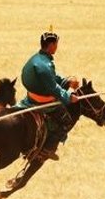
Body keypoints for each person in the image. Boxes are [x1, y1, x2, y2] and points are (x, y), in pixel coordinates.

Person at [19, 29, 79, 161]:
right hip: (42, 101)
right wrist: (69, 97)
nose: (57, 47)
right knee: (66, 121)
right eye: (56, 44)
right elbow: (53, 88)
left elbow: (51, 78)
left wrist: (67, 82)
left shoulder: (38, 58)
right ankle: (46, 149)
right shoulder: (44, 65)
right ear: (51, 45)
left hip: (30, 96)